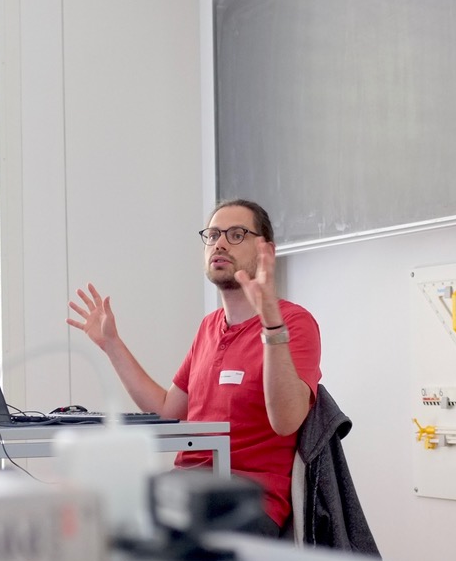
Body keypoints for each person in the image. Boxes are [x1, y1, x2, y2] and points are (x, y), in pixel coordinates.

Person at [67, 199, 321, 537]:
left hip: (245, 500)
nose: (219, 243)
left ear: (265, 251)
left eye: (236, 234)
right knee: (89, 517)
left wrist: (270, 323)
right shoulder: (209, 327)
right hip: (186, 490)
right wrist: (111, 343)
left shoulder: (294, 322)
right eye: (213, 234)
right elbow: (167, 409)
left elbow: (287, 421)